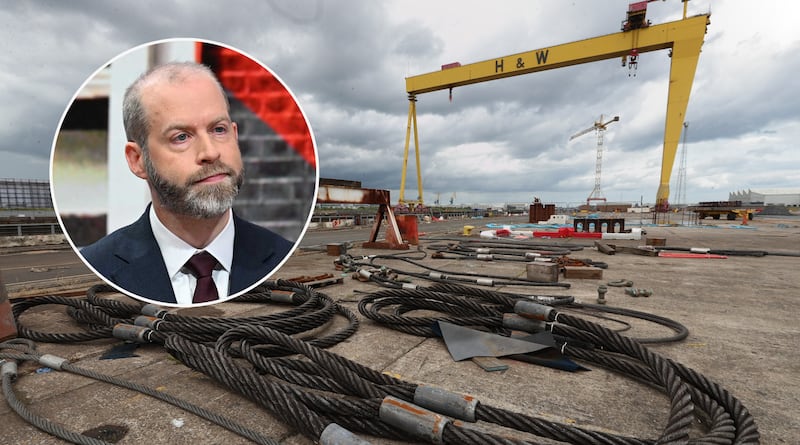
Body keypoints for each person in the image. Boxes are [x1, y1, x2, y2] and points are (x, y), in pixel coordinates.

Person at [81, 61, 294, 305]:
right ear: (138, 160)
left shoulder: (282, 254)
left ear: (235, 136)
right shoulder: (97, 264)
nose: (210, 152)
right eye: (181, 137)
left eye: (219, 130)